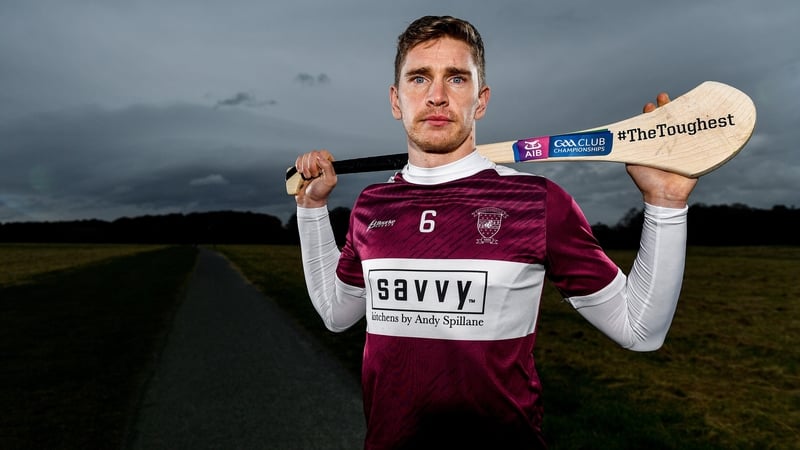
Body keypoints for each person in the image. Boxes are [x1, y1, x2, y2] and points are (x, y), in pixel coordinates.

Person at [293, 15, 697, 450]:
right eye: (419, 78)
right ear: (396, 99)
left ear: (481, 100)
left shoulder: (537, 202)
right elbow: (337, 315)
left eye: (457, 79)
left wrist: (666, 205)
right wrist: (311, 209)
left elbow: (639, 328)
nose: (437, 96)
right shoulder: (373, 205)